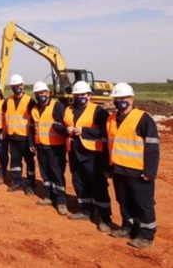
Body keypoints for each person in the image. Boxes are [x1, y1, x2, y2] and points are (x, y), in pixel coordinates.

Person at [107, 83, 159, 249]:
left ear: (132, 99)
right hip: (118, 169)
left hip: (138, 171)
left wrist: (150, 170)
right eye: (117, 99)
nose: (121, 101)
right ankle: (128, 227)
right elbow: (108, 144)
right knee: (124, 200)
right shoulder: (111, 119)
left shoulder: (143, 118)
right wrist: (109, 166)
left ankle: (146, 235)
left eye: (124, 98)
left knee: (143, 203)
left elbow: (152, 147)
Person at [63, 81, 112, 233]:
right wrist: (66, 130)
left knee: (98, 185)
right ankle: (85, 210)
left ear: (90, 95)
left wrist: (83, 131)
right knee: (79, 182)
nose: (80, 97)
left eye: (83, 94)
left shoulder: (99, 112)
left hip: (92, 154)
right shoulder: (68, 109)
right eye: (77, 95)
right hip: (74, 152)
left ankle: (105, 217)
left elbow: (106, 133)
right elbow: (59, 125)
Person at [29, 81, 68, 216]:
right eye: (38, 93)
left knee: (57, 174)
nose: (41, 95)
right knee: (45, 173)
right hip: (41, 145)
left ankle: (61, 201)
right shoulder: (34, 108)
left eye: (43, 93)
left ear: (48, 93)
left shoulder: (57, 106)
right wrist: (31, 142)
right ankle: (48, 196)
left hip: (55, 147)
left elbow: (65, 125)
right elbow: (32, 127)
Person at [3, 74, 36, 195]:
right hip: (13, 137)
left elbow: (34, 121)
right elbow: (5, 118)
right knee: (15, 162)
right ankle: (17, 181)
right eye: (14, 86)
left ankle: (30, 184)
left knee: (29, 162)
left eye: (18, 85)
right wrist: (5, 134)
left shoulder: (30, 101)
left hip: (26, 138)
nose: (16, 87)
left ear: (23, 85)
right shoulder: (8, 101)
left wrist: (33, 140)